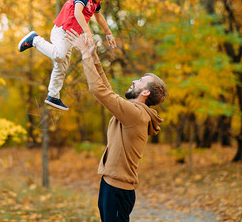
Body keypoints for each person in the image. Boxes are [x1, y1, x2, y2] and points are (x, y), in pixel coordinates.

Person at [66, 29, 168, 222]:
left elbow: (98, 89)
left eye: (140, 81)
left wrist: (85, 55)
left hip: (118, 189)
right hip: (110, 185)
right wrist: (93, 55)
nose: (133, 81)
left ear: (145, 93)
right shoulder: (133, 110)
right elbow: (105, 87)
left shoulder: (136, 115)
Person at [17, 0, 117, 111]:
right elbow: (77, 12)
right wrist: (87, 32)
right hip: (62, 30)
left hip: (71, 36)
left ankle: (53, 95)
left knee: (62, 66)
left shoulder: (96, 2)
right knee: (59, 56)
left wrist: (108, 33)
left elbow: (99, 17)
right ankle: (35, 40)